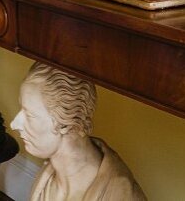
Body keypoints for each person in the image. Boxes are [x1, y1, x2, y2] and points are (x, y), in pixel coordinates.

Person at [11, 62, 146, 201]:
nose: (14, 124)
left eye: (30, 115)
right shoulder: (47, 179)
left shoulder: (119, 196)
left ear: (65, 124)